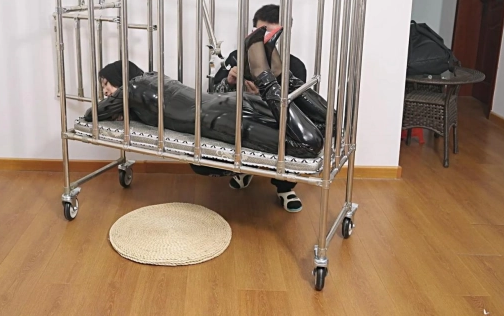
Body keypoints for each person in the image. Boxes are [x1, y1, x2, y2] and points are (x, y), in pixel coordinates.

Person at [85, 26, 330, 213]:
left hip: (221, 119)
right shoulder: (156, 77)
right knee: (327, 126)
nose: (105, 92)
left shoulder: (131, 89)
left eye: (106, 85)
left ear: (120, 79)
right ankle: (281, 73)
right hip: (231, 103)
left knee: (307, 143)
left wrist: (115, 103)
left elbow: (91, 115)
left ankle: (262, 71)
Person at [210, 4, 310, 209]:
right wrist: (229, 81)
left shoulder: (294, 66)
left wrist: (267, 96)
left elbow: (298, 111)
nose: (265, 41)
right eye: (261, 34)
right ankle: (243, 170)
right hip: (241, 121)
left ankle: (285, 187)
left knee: (294, 137)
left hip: (275, 125)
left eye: (272, 35)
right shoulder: (237, 57)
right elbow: (212, 97)